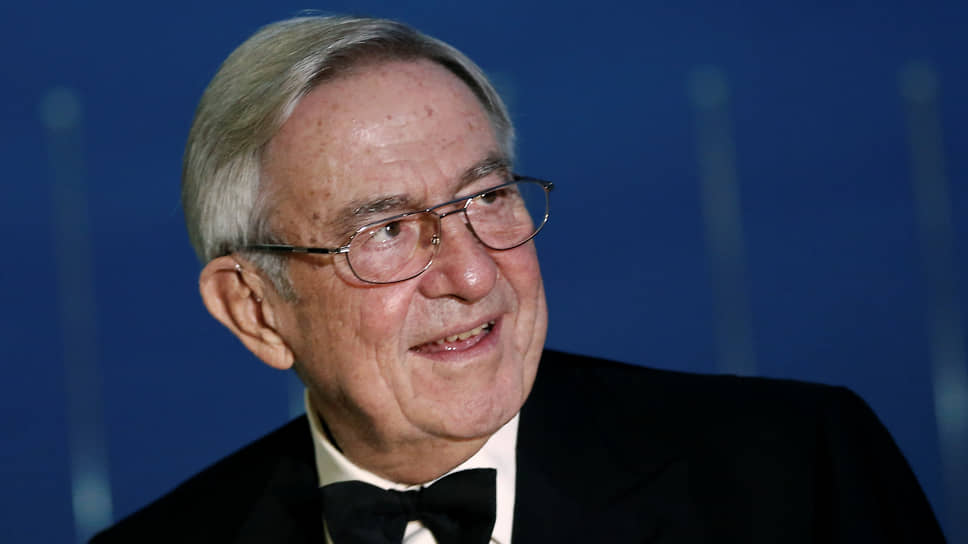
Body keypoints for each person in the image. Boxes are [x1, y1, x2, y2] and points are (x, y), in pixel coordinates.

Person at [92, 15, 945, 543]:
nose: (471, 273)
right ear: (253, 309)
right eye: (385, 232)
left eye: (487, 197)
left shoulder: (798, 475)